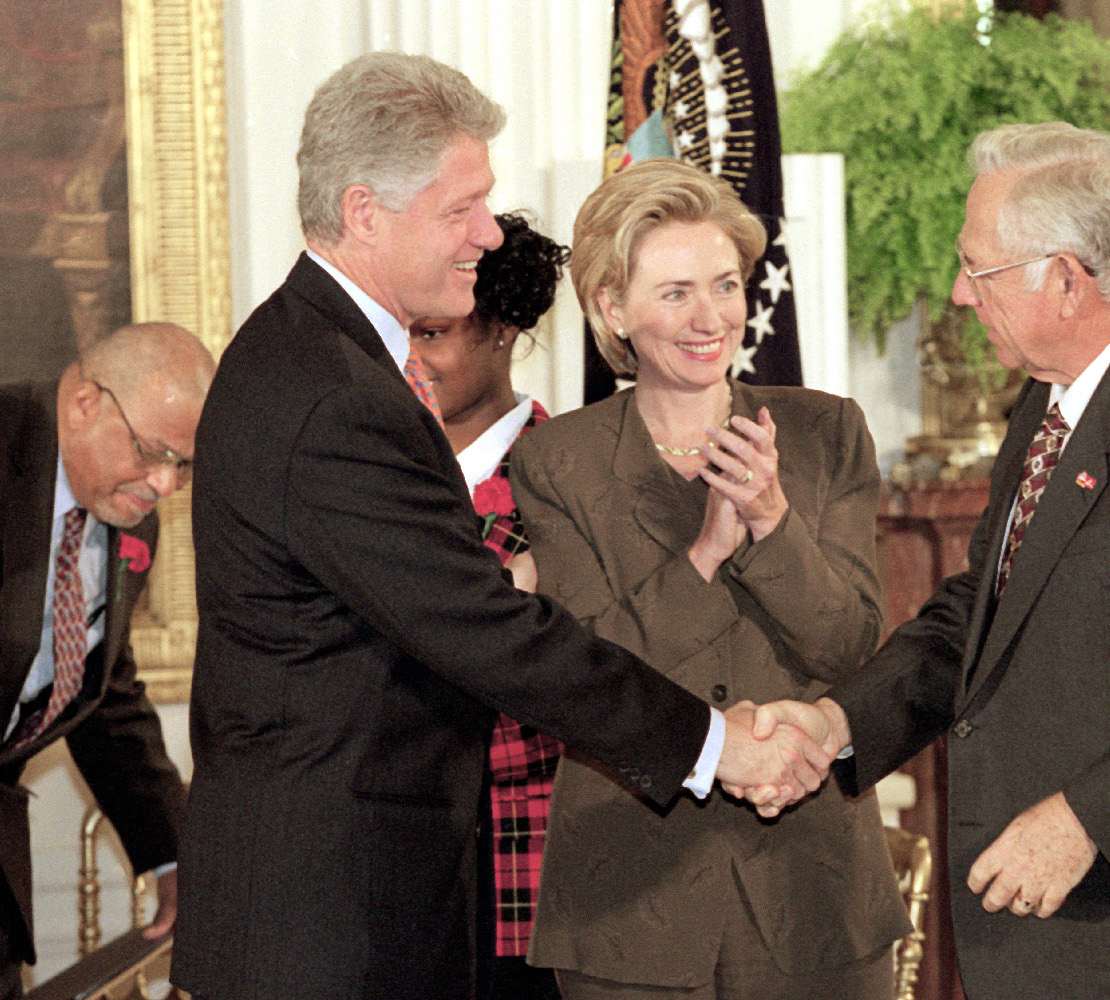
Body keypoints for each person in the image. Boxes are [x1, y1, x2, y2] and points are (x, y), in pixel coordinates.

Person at [173, 53, 824, 1000]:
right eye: (460, 208)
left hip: (356, 900)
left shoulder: (326, 357)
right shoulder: (330, 394)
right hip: (323, 923)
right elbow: (485, 630)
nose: (488, 234)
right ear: (365, 212)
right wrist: (718, 745)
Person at [756, 122, 1110, 1000]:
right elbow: (988, 611)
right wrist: (843, 721)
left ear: (1067, 279)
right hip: (1069, 949)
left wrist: (1086, 821)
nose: (959, 295)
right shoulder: (1055, 396)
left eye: (977, 269)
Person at [509, 158, 909, 1000]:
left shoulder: (826, 431)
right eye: (676, 292)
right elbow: (586, 674)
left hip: (817, 894)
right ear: (612, 308)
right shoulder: (556, 460)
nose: (710, 317)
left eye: (725, 285)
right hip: (628, 906)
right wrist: (702, 555)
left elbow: (848, 643)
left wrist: (770, 519)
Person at [0, 321, 212, 998]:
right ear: (86, 402)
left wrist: (172, 849)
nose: (164, 484)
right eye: (153, 452)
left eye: (184, 464)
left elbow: (102, 690)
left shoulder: (126, 520)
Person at [408, 211, 569, 1000]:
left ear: (501, 330)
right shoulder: (380, 475)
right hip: (397, 882)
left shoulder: (568, 483)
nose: (410, 360)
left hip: (521, 883)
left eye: (432, 335)